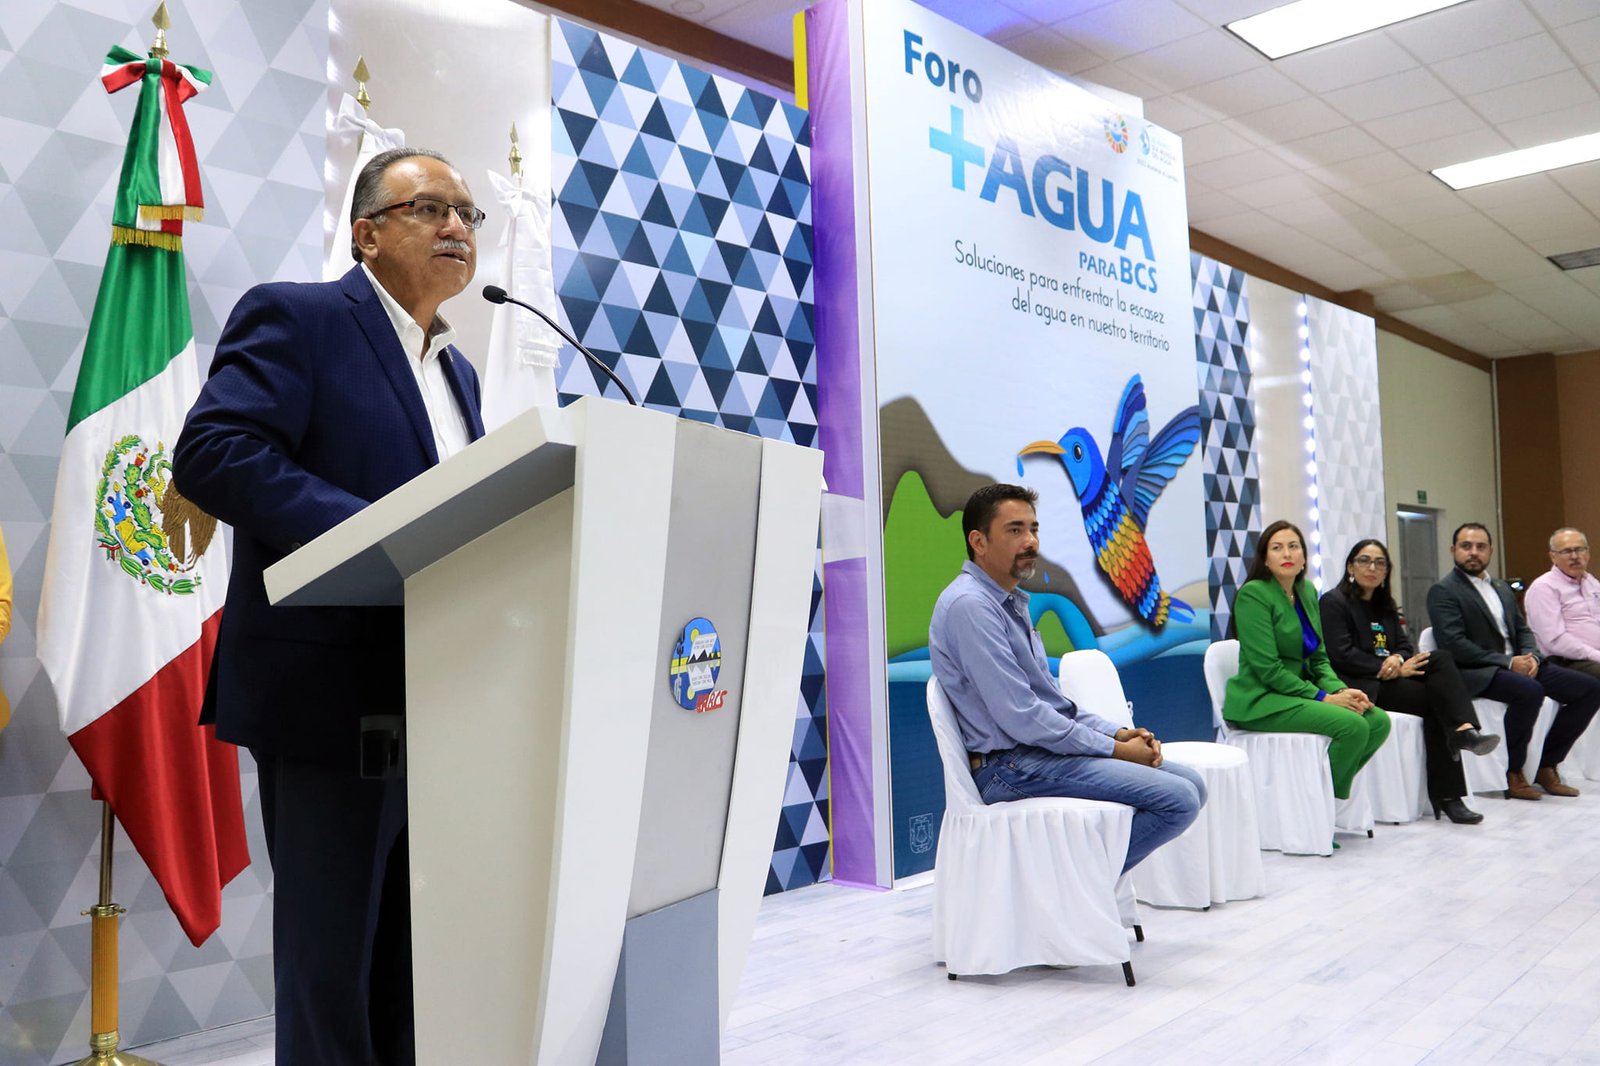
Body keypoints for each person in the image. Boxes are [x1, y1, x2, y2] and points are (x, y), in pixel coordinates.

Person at [174, 147, 487, 1066]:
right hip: (327, 705)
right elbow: (216, 451)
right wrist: (376, 531)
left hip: (439, 697)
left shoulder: (459, 373)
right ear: (367, 234)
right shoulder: (301, 318)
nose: (457, 227)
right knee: (332, 977)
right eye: (431, 208)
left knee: (409, 975)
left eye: (468, 214)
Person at [928, 483, 1205, 874]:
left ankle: (1074, 885)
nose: (1030, 541)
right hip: (1008, 766)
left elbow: (1053, 704)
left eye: (1033, 529)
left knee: (1194, 785)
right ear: (979, 542)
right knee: (1178, 799)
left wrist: (1118, 733)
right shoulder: (971, 606)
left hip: (1034, 754)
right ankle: (1070, 887)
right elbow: (1023, 717)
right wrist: (1117, 750)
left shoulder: (1008, 602)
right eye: (1015, 530)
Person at [1319, 538, 1499, 824]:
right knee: (1439, 702)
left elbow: (1404, 645)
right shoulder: (1334, 602)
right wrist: (1388, 668)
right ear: (1351, 567)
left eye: (1380, 563)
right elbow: (1340, 654)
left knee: (1440, 659)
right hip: (1362, 684)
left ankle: (1462, 733)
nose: (1372, 568)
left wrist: (1398, 659)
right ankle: (1451, 789)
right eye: (1364, 561)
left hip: (1391, 678)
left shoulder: (1385, 605)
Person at [1427, 522, 1600, 801]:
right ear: (1453, 550)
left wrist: (1532, 656)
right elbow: (1454, 645)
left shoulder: (1500, 587)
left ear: (1491, 551)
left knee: (1590, 689)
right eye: (1466, 546)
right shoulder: (1444, 590)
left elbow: (1523, 630)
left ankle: (1547, 764)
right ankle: (1513, 772)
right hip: (1478, 670)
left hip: (1518, 664)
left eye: (1481, 547)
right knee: (1529, 691)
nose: (1474, 552)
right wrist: (1508, 662)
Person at [1223, 519, 1391, 806]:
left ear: (1304, 557)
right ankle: (1321, 807)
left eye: (1293, 546)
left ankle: (1323, 797)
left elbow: (1319, 658)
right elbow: (1269, 669)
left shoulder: (1308, 592)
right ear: (1265, 559)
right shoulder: (1254, 594)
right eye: (1277, 548)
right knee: (1353, 726)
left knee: (1378, 721)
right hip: (1262, 698)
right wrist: (1324, 697)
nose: (1287, 554)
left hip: (1299, 693)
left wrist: (1340, 691)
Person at [1525, 527, 1600, 681]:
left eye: (1579, 550)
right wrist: (1596, 655)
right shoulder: (1544, 587)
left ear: (1588, 553)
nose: (1575, 556)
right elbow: (1555, 640)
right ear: (1553, 557)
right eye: (1566, 551)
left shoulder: (1592, 582)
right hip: (1566, 661)